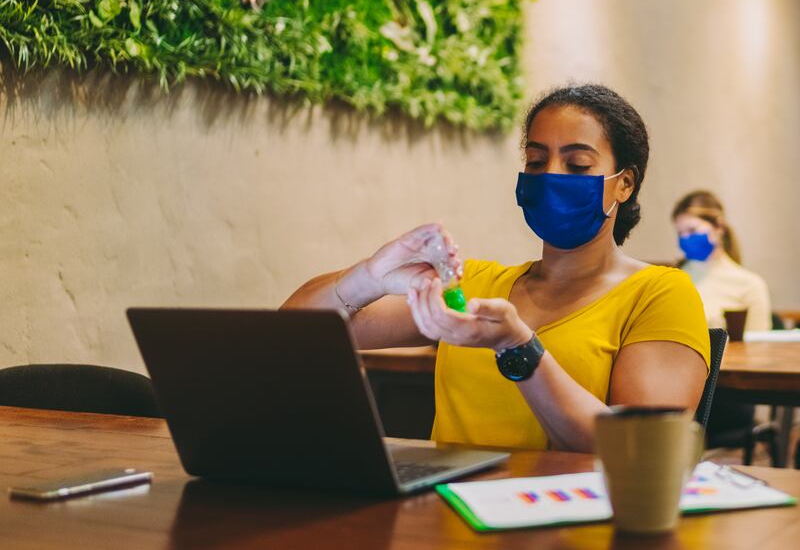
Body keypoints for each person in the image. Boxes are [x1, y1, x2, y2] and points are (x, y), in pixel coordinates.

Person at [281, 84, 711, 453]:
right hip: (446, 516)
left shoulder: (660, 293)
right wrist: (370, 277)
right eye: (536, 161)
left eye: (577, 164)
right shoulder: (476, 286)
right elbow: (295, 328)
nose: (550, 176)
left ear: (625, 182)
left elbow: (642, 450)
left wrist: (518, 347)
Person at [672, 190, 772, 334]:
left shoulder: (750, 285)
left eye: (692, 230)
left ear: (718, 227)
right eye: (680, 232)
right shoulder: (674, 280)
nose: (685, 237)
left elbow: (758, 347)